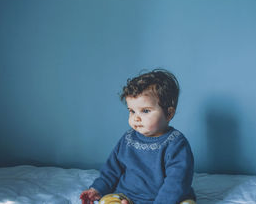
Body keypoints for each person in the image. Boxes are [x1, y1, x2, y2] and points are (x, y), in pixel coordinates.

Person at [80, 69, 196, 204]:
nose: (136, 118)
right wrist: (97, 189)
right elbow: (111, 169)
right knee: (106, 201)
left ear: (169, 114)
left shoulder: (176, 143)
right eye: (132, 111)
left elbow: (177, 181)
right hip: (128, 195)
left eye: (145, 111)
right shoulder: (128, 138)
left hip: (168, 199)